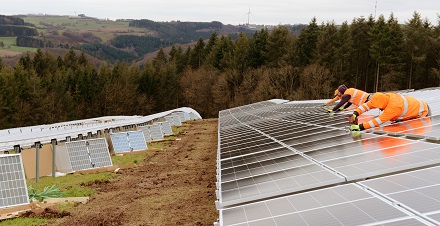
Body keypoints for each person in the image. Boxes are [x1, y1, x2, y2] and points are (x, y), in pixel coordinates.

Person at [349, 92, 431, 131]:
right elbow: (367, 105)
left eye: (379, 108)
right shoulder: (385, 97)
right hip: (414, 108)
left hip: (423, 112)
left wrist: (360, 127)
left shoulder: (393, 107)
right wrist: (355, 114)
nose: (379, 109)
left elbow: (378, 121)